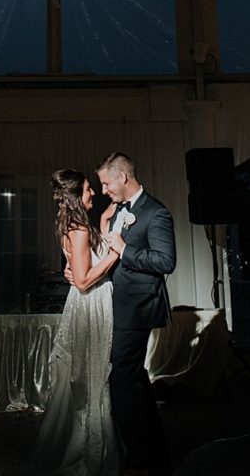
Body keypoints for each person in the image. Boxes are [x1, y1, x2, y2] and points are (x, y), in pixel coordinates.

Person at [27, 168, 121, 476]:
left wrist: (106, 221)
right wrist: (115, 255)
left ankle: (96, 445)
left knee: (90, 375)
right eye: (87, 190)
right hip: (90, 305)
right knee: (93, 378)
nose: (93, 192)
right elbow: (82, 282)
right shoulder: (79, 229)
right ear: (75, 197)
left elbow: (76, 269)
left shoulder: (73, 224)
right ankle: (94, 455)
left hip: (87, 304)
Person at [96, 151, 176, 476]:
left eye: (105, 183)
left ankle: (139, 459)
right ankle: (154, 451)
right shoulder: (117, 211)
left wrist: (125, 250)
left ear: (122, 178)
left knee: (122, 378)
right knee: (134, 378)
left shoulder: (156, 213)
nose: (104, 190)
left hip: (138, 308)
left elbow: (165, 262)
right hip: (118, 305)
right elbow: (111, 252)